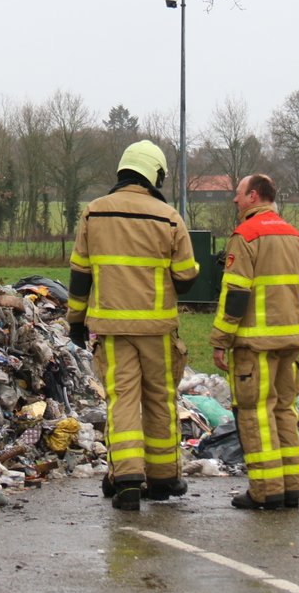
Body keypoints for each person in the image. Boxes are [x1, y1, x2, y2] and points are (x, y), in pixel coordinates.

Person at [67, 140, 201, 512]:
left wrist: (76, 322)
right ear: (154, 173)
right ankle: (163, 479)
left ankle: (126, 478)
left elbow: (80, 276)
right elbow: (187, 276)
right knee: (160, 400)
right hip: (157, 330)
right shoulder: (169, 217)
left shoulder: (94, 214)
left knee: (122, 399)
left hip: (111, 328)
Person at [211, 174, 299, 510]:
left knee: (256, 412)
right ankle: (291, 485)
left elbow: (236, 295)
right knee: (284, 409)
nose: (235, 200)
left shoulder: (246, 235)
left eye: (238, 194)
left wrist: (220, 338)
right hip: (290, 339)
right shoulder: (294, 235)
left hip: (255, 345)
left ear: (253, 196)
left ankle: (266, 489)